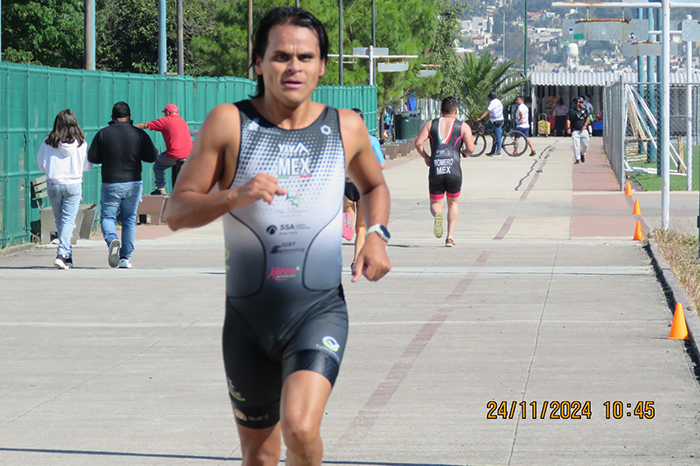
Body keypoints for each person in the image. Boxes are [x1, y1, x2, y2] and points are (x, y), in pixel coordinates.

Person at [162, 7, 391, 466]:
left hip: (317, 311)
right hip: (248, 322)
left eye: (305, 57)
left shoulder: (345, 126)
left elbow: (373, 186)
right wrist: (234, 195)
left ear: (322, 65)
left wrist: (377, 235)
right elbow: (176, 212)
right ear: (258, 62)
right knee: (260, 456)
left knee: (301, 428)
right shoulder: (229, 123)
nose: (293, 67)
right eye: (281, 56)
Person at [88, 102, 158, 269]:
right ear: (130, 116)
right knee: (129, 219)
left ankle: (112, 239)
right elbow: (152, 156)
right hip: (133, 183)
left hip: (110, 182)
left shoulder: (103, 133)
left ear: (112, 116)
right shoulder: (138, 134)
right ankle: (125, 257)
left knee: (108, 217)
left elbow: (92, 157)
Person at [414, 96, 475, 247]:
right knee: (453, 203)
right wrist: (465, 152)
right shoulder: (463, 126)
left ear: (441, 111)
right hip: (454, 169)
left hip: (436, 168)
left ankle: (438, 215)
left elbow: (418, 143)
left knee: (436, 203)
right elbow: (471, 148)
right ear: (456, 111)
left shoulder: (430, 124)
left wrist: (426, 157)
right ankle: (449, 237)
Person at [36, 109, 92, 269]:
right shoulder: (81, 143)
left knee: (60, 221)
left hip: (53, 184)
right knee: (68, 221)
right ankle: (62, 254)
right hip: (73, 185)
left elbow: (41, 164)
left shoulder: (48, 141)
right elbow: (87, 166)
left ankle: (67, 256)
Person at [342, 108, 386, 273]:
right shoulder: (371, 140)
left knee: (348, 209)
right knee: (361, 228)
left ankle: (346, 220)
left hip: (346, 182)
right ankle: (355, 262)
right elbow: (382, 165)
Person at [135, 103, 193, 195]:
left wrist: (130, 128)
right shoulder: (183, 121)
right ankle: (184, 190)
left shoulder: (165, 120)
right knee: (181, 168)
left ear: (168, 112)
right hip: (189, 153)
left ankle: (160, 188)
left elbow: (145, 125)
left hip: (174, 153)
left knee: (158, 166)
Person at [477, 91, 504, 156]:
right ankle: (492, 151)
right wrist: (483, 119)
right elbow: (490, 113)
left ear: (490, 97)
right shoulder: (497, 101)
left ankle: (498, 151)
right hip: (496, 120)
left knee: (498, 137)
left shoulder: (493, 102)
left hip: (497, 121)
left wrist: (480, 118)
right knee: (494, 137)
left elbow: (487, 111)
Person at [567, 96, 590, 164]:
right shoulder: (571, 111)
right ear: (577, 103)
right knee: (576, 145)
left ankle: (582, 153)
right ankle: (577, 158)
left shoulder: (584, 110)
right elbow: (568, 119)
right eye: (581, 102)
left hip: (583, 130)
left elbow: (587, 118)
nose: (582, 104)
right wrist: (568, 128)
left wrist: (585, 125)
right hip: (575, 131)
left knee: (586, 145)